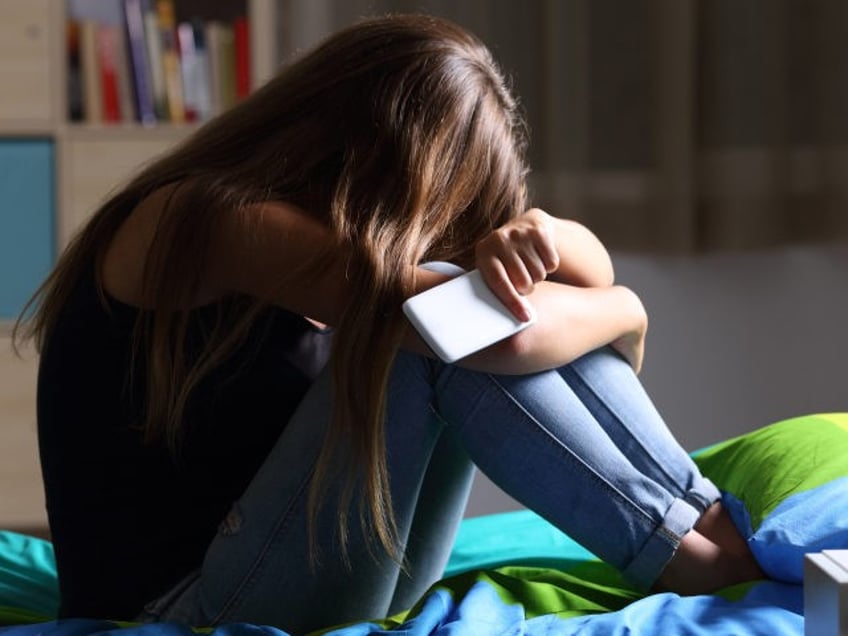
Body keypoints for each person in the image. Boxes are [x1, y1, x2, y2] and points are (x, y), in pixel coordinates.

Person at [14, 13, 763, 634]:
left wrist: (540, 233)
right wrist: (627, 312)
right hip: (184, 606)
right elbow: (495, 338)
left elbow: (579, 274)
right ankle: (689, 551)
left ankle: (700, 519)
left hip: (319, 564)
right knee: (438, 336)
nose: (434, 230)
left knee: (455, 313)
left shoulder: (340, 236)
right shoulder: (212, 220)